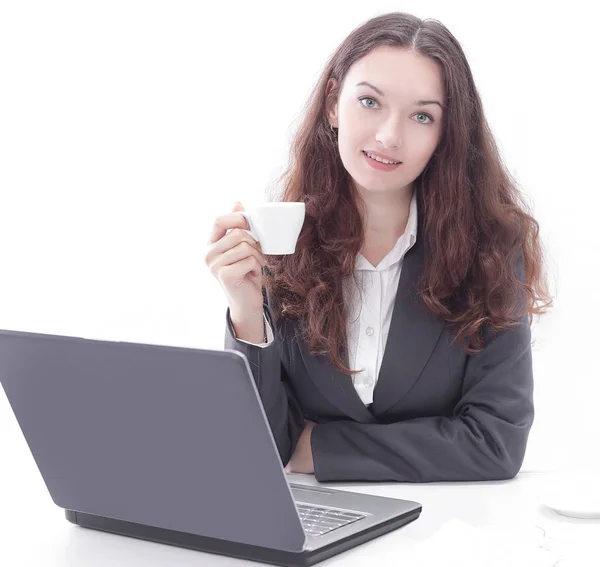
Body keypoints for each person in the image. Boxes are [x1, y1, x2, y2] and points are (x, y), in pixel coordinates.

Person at [203, 12, 553, 482]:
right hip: (315, 528)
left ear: (445, 134)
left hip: (450, 533)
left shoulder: (490, 248)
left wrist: (321, 447)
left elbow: (495, 444)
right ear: (333, 103)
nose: (390, 135)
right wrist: (247, 315)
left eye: (422, 115)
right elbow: (263, 446)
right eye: (370, 102)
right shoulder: (282, 241)